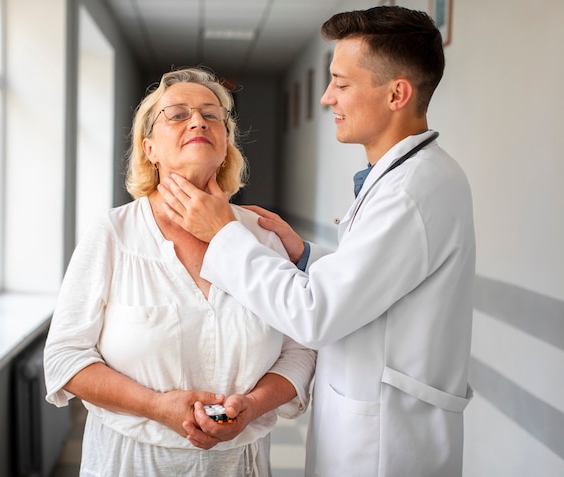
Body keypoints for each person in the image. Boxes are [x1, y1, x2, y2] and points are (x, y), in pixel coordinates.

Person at [158, 6, 475, 477]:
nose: (327, 98)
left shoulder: (411, 192)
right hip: (373, 425)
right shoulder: (403, 180)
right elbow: (372, 281)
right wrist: (305, 256)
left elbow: (314, 314)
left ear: (397, 94)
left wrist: (222, 234)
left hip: (387, 446)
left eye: (341, 84)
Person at [43, 67, 316, 477]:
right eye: (177, 114)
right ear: (148, 147)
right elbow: (65, 357)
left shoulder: (262, 236)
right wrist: (155, 406)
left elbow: (300, 350)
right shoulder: (113, 234)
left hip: (239, 464)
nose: (198, 121)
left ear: (225, 145)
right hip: (130, 463)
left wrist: (255, 404)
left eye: (212, 115)